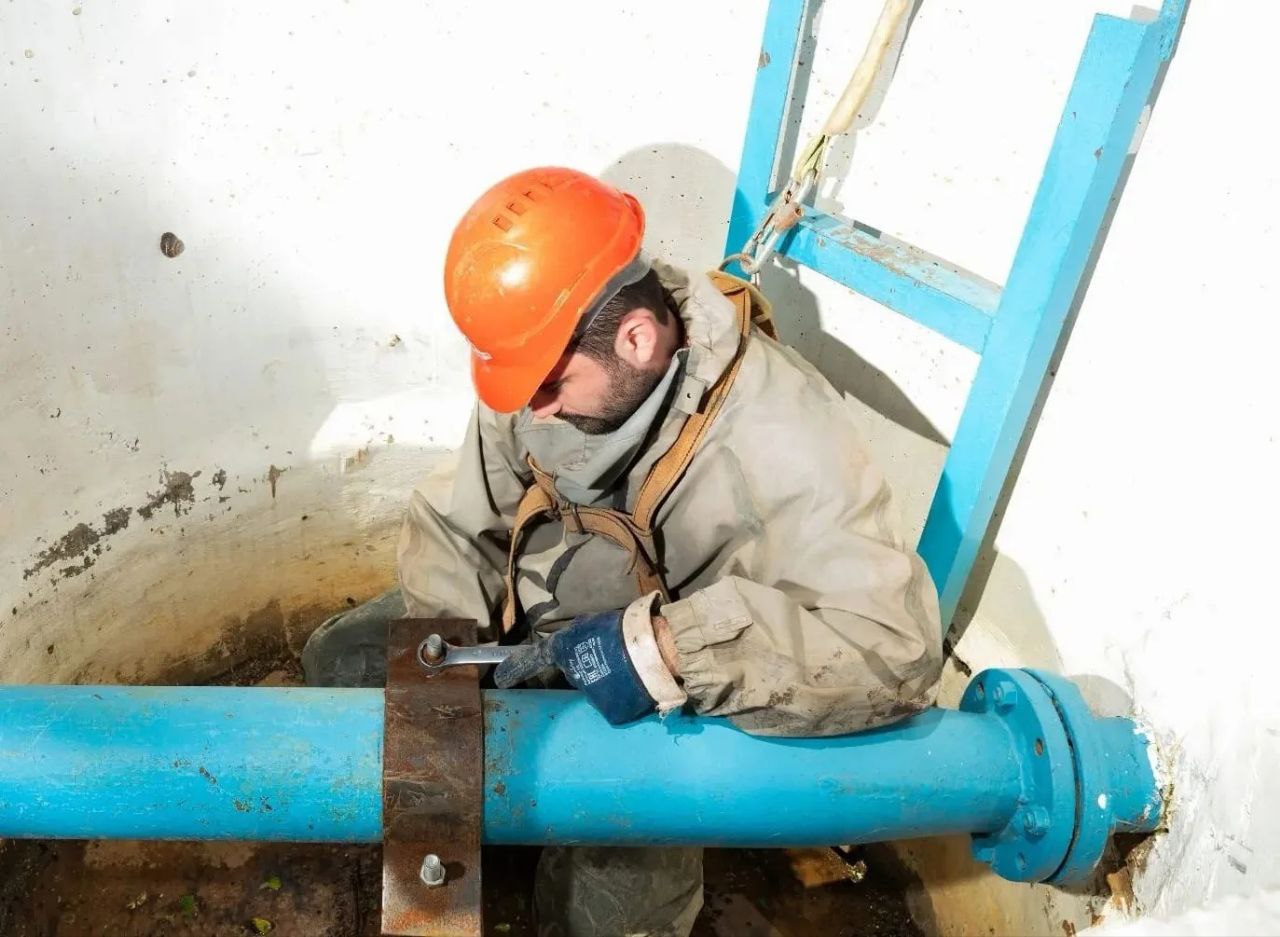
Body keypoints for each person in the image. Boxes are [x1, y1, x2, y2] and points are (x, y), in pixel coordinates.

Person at [303, 166, 942, 937]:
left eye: (548, 388)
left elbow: (892, 645)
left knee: (602, 918)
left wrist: (663, 650)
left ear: (636, 338)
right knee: (339, 664)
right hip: (531, 632)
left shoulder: (784, 438)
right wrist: (446, 665)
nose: (532, 411)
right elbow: (456, 520)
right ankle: (498, 822)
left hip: (660, 691)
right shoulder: (544, 354)